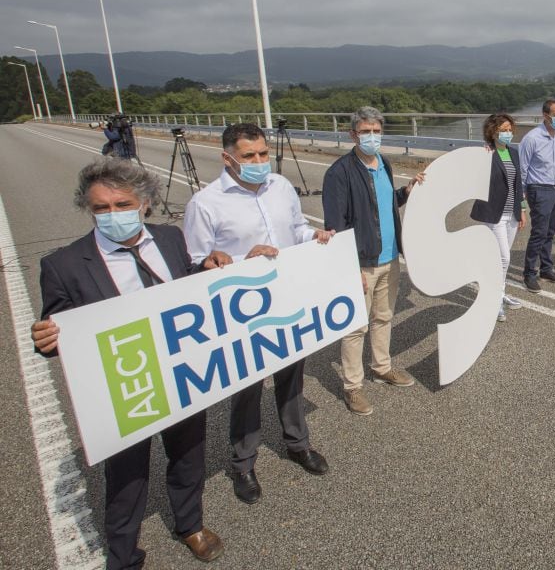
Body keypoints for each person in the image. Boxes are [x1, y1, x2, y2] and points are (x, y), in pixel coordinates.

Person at [31, 157, 225, 569]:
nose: (112, 215)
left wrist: (204, 269)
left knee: (188, 455)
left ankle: (189, 524)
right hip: (126, 386)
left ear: (145, 204)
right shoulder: (63, 265)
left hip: (181, 374)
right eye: (100, 208)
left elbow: (186, 282)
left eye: (122, 204)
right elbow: (59, 329)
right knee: (126, 479)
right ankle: (123, 555)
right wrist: (47, 340)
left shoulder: (169, 239)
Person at [184, 123, 334, 504]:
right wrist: (239, 260)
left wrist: (313, 237)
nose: (259, 162)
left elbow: (296, 229)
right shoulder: (205, 204)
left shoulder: (281, 187)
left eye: (263, 154)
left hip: (285, 298)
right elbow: (196, 265)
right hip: (240, 311)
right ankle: (243, 463)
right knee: (247, 389)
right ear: (228, 158)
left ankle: (297, 444)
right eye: (249, 156)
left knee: (291, 377)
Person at [322, 107, 425, 416]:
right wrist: (350, 269)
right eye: (365, 131)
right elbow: (335, 226)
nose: (372, 136)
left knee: (383, 317)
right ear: (353, 134)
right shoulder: (339, 173)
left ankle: (382, 367)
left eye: (376, 131)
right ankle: (353, 387)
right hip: (362, 262)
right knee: (356, 327)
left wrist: (407, 191)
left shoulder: (384, 163)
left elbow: (386, 202)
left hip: (390, 257)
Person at [469, 113, 525, 322]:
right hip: (494, 214)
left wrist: (522, 209)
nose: (508, 133)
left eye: (510, 129)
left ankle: (500, 294)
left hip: (511, 213)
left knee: (502, 258)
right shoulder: (486, 153)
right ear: (492, 132)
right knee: (503, 258)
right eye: (503, 130)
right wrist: (481, 159)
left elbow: (519, 184)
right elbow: (474, 179)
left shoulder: (514, 152)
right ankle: (493, 300)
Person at [518, 98, 555, 291]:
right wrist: (521, 199)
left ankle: (546, 269)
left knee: (550, 231)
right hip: (538, 189)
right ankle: (529, 273)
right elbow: (522, 170)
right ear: (545, 116)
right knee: (539, 233)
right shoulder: (531, 139)